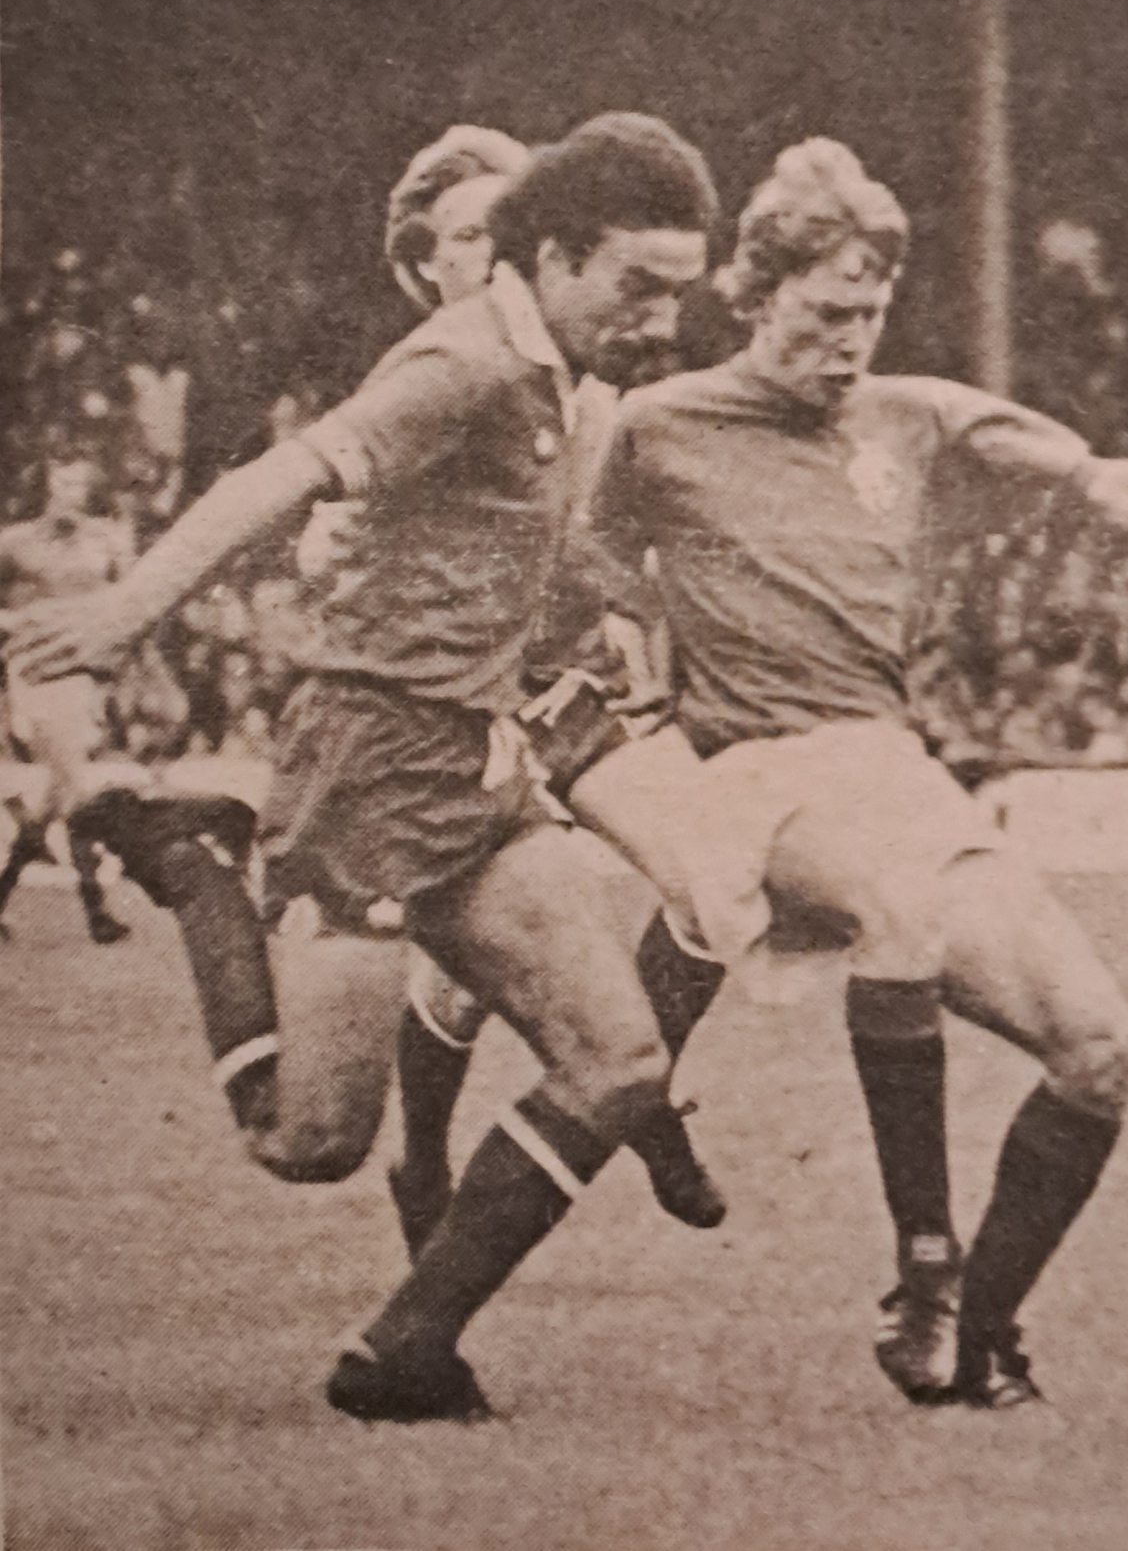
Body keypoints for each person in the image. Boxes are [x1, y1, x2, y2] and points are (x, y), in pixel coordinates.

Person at [555, 139, 1128, 1408]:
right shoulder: (660, 425)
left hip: (889, 768)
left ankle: (971, 1335)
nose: (848, 338)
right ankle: (925, 1261)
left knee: (1102, 1045)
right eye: (821, 312)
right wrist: (640, 693)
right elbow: (584, 571)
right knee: (900, 916)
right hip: (757, 774)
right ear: (753, 295)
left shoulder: (918, 419)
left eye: (868, 312)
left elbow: (1108, 488)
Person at [7, 113, 723, 1423]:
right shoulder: (464, 362)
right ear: (556, 255)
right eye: (638, 283)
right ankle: (193, 862)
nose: (661, 315)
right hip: (369, 766)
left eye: (680, 289)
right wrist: (121, 616)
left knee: (618, 1060)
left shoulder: (559, 371)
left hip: (474, 762)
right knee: (309, 1137)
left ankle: (404, 1353)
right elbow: (276, 480)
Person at [371, 122, 725, 1245]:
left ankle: (646, 1102)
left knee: (718, 881)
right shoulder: (429, 386)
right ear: (424, 265)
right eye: (465, 234)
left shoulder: (592, 378)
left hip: (573, 689)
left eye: (501, 227)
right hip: (461, 705)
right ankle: (423, 1161)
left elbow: (613, 533)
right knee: (471, 979)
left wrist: (637, 616)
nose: (489, 251)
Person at [0, 455, 140, 944]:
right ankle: (96, 912)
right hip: (37, 674)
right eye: (61, 482)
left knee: (57, 798)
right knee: (76, 789)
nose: (70, 493)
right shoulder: (15, 543)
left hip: (85, 678)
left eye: (79, 483)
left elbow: (128, 602)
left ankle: (1, 893)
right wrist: (14, 625)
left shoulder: (104, 541)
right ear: (46, 486)